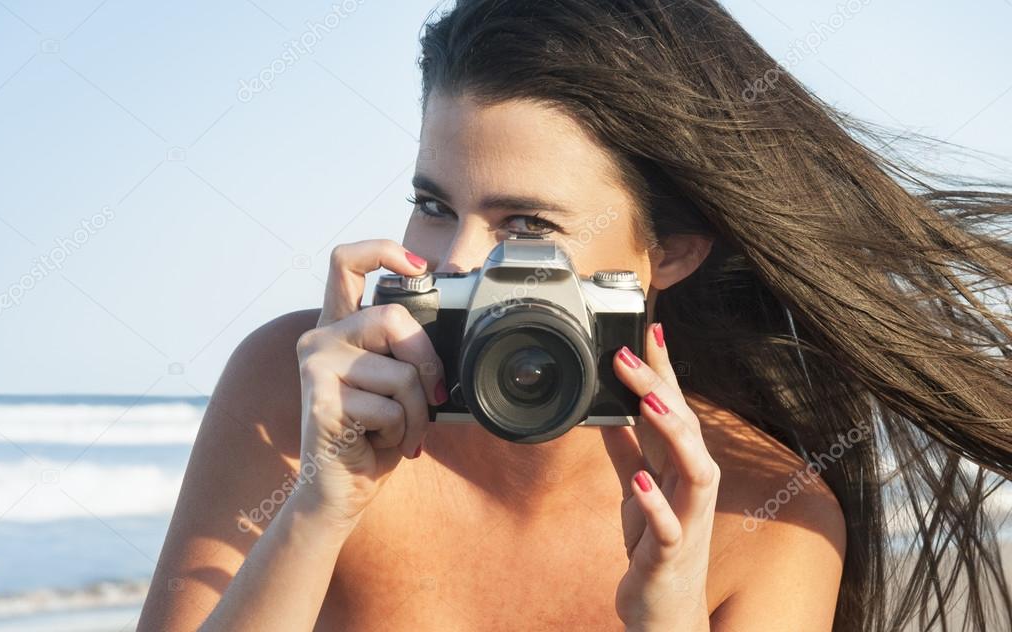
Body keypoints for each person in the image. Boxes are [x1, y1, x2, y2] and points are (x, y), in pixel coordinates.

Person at [139, 1, 1012, 630]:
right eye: (433, 202)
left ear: (670, 251)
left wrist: (667, 619)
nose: (456, 262)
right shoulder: (290, 397)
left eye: (528, 225)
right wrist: (316, 511)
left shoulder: (771, 521)